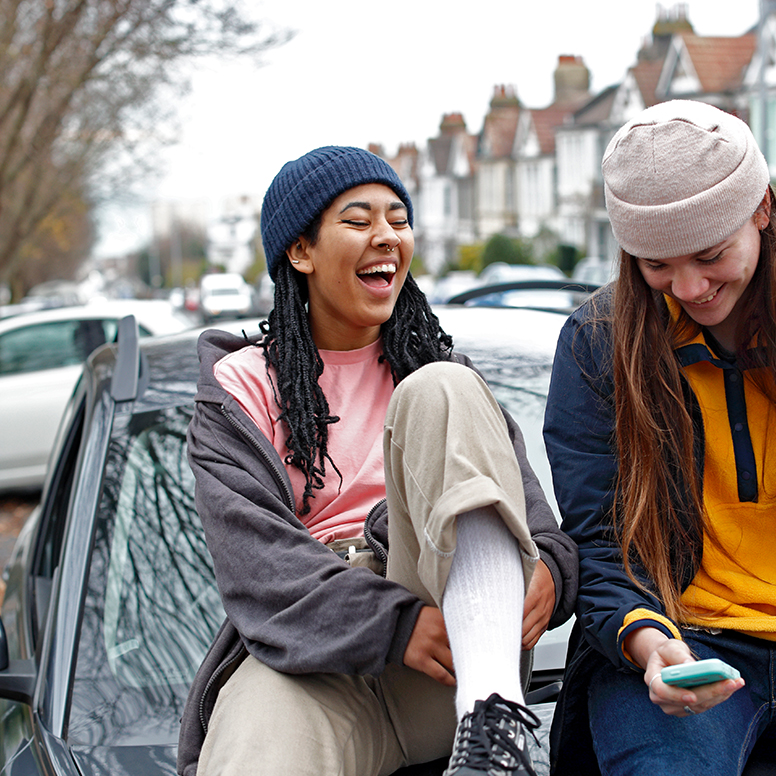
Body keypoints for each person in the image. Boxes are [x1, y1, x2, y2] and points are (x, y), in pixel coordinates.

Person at [176, 146, 578, 776]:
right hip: (312, 661)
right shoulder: (240, 387)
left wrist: (552, 572)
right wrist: (395, 625)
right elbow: (258, 567)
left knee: (439, 387)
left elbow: (538, 526)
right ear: (300, 252)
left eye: (398, 219)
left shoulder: (445, 380)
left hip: (452, 659)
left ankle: (495, 730)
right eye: (359, 222)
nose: (386, 236)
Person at [543, 99, 776, 775]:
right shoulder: (597, 344)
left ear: (762, 207)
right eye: (656, 266)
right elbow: (599, 539)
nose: (690, 287)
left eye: (710, 255)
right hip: (681, 642)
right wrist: (649, 644)